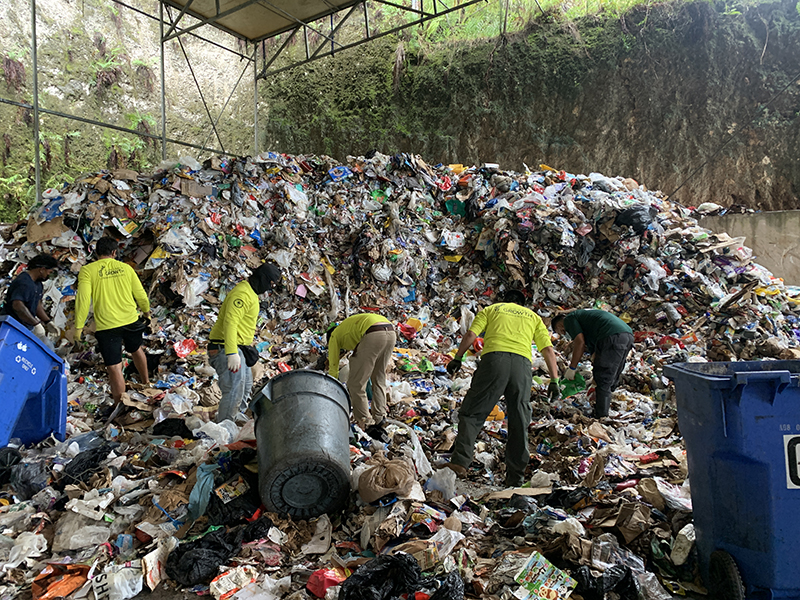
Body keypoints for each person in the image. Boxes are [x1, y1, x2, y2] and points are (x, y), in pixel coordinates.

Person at [445, 289, 560, 487]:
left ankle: (460, 463)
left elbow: (471, 334)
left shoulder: (492, 309)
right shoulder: (533, 317)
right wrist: (555, 380)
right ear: (522, 304)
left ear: (504, 299)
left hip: (493, 361)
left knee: (473, 413)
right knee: (519, 420)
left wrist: (458, 357)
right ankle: (515, 477)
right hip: (522, 367)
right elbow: (547, 349)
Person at [74, 237, 151, 402]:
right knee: (136, 349)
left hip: (107, 326)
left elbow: (83, 300)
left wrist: (79, 327)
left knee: (114, 366)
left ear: (96, 253)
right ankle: (146, 382)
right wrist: (146, 312)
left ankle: (119, 406)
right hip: (130, 320)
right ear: (115, 252)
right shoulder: (126, 268)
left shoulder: (88, 271)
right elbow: (141, 294)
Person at [208, 262, 281, 423]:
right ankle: (224, 428)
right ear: (262, 279)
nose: (269, 288)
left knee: (245, 387)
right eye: (270, 284)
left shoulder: (251, 294)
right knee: (234, 390)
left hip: (241, 349)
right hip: (224, 347)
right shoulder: (242, 294)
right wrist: (232, 352)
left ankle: (235, 420)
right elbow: (230, 323)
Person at [551, 309, 634, 418]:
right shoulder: (585, 323)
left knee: (603, 379)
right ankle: (607, 404)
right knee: (613, 374)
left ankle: (602, 417)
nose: (563, 333)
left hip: (611, 335)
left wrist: (572, 368)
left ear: (559, 324)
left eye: (559, 330)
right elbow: (593, 353)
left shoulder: (569, 319)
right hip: (627, 335)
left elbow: (579, 343)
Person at [326, 313, 396, 437]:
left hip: (373, 334)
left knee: (356, 383)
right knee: (378, 377)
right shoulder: (347, 328)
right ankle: (380, 417)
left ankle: (366, 422)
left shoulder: (334, 336)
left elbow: (333, 367)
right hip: (390, 331)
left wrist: (332, 386)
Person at [1, 254, 59, 346]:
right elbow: (17, 306)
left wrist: (48, 321)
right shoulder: (24, 282)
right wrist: (36, 324)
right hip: (11, 325)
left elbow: (37, 304)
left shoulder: (38, 284)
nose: (49, 275)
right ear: (42, 269)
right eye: (49, 272)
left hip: (24, 327)